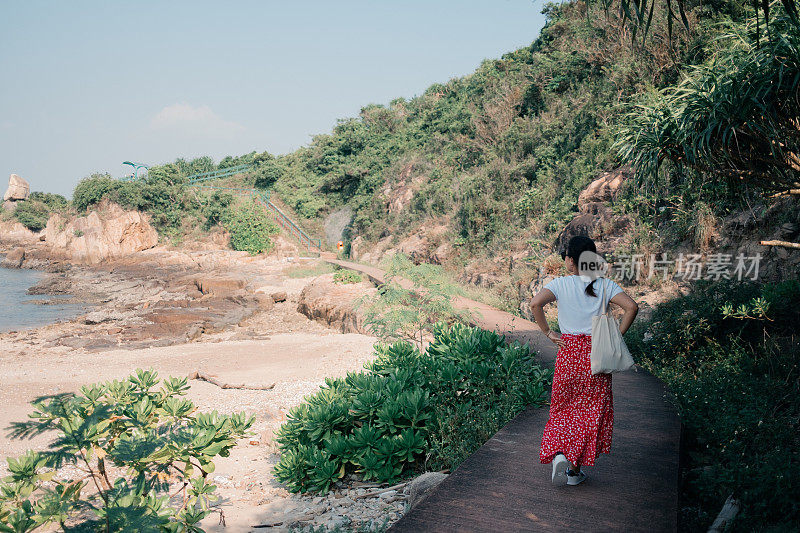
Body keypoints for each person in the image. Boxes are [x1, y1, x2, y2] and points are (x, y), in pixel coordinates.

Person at [529, 235, 639, 486]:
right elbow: (631, 307)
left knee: (562, 408)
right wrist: (613, 337)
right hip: (595, 354)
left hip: (568, 352)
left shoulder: (560, 284)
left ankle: (559, 453)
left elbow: (535, 303)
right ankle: (574, 471)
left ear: (570, 261)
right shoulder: (606, 285)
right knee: (589, 412)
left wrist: (548, 332)